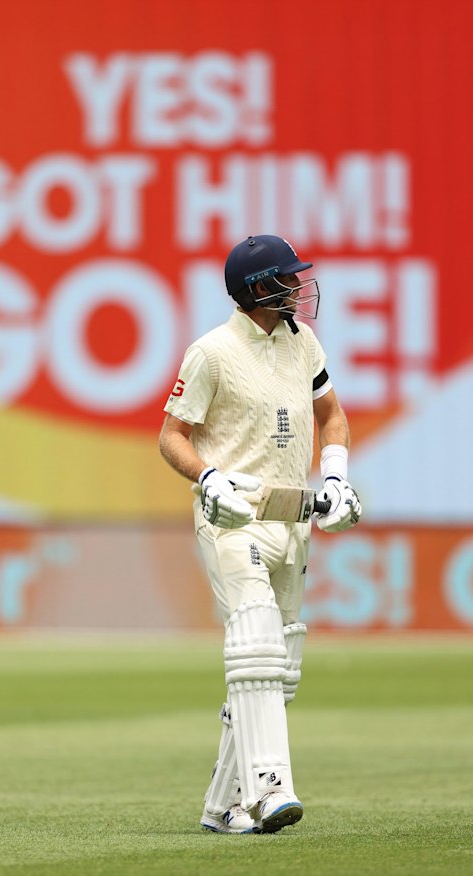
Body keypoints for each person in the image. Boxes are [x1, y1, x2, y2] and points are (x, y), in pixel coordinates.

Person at [159, 234, 361, 835]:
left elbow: (332, 416)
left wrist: (336, 477)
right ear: (255, 289)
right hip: (233, 516)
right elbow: (172, 435)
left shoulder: (304, 344)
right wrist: (208, 477)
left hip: (292, 519)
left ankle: (222, 806)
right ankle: (271, 792)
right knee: (255, 650)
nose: (298, 287)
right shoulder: (212, 352)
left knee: (281, 668)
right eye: (285, 279)